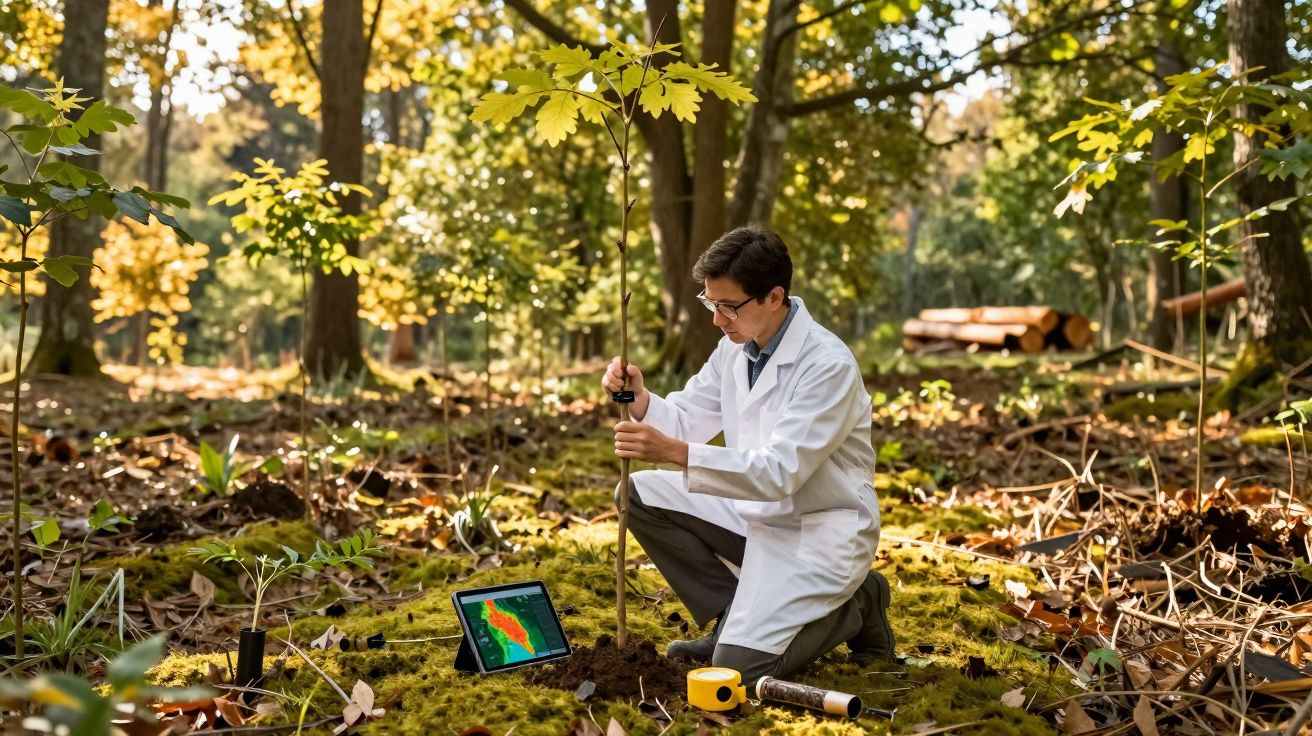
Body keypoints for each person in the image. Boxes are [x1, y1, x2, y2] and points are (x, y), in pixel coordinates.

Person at [601, 224, 893, 686]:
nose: (717, 320)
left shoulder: (827, 366)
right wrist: (636, 398)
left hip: (816, 530)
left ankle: (855, 603)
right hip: (753, 516)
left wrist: (675, 452)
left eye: (729, 306)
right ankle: (731, 616)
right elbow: (685, 419)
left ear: (774, 297)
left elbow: (778, 473)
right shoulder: (735, 350)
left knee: (739, 672)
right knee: (635, 494)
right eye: (711, 303)